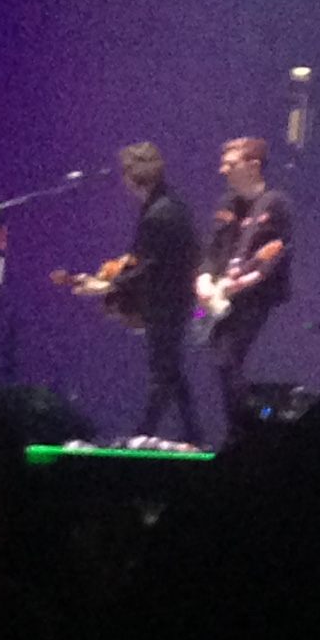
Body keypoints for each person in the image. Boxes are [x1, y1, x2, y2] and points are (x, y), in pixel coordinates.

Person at [68, 142, 202, 445]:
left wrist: (107, 285)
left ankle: (144, 432)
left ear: (132, 176)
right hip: (174, 298)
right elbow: (145, 259)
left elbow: (148, 264)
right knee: (171, 370)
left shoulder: (159, 213)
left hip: (167, 301)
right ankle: (193, 434)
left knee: (163, 370)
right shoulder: (166, 204)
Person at [203, 134, 294, 421]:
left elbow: (277, 255)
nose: (223, 170)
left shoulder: (275, 204)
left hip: (255, 297)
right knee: (222, 361)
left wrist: (243, 282)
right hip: (222, 294)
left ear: (253, 166)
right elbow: (212, 248)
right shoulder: (227, 204)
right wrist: (203, 278)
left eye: (231, 164)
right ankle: (241, 426)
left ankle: (246, 427)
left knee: (228, 358)